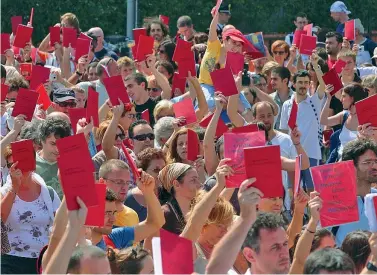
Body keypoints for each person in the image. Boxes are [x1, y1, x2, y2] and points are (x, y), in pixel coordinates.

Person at [1, 152, 61, 274]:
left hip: (41, 261)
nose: (16, 169)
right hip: (10, 260)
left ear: (32, 164)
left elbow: (61, 224)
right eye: (11, 164)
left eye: (20, 164)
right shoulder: (4, 192)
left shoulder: (48, 193)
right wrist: (14, 188)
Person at [92, 171, 165, 250]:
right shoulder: (78, 246)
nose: (113, 219)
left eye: (114, 213)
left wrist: (148, 191)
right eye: (107, 213)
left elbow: (156, 223)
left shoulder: (117, 237)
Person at [280, 70, 325, 191]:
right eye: (300, 82)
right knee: (293, 191)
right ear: (293, 84)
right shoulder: (286, 105)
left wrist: (316, 65)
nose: (303, 85)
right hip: (292, 156)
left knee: (312, 191)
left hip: (311, 154)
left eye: (306, 82)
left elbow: (323, 83)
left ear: (309, 84)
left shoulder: (314, 101)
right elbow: (284, 131)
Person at [332, 138, 377, 246]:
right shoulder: (333, 202)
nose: (374, 166)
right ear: (350, 167)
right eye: (367, 162)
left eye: (376, 161)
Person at [320, 83, 368, 159]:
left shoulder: (367, 119)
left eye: (344, 96)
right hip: (340, 162)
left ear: (352, 98)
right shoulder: (344, 115)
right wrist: (328, 99)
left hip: (357, 165)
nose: (341, 100)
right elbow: (323, 121)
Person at [158, 163, 201, 235]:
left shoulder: (198, 209)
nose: (199, 184)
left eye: (198, 179)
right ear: (176, 184)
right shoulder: (163, 214)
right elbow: (154, 244)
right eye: (193, 180)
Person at [126, 148, 166, 221]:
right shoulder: (129, 199)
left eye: (164, 169)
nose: (162, 174)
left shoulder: (169, 195)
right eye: (156, 170)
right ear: (142, 172)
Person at [36, 117, 72, 198]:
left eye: (61, 144)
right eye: (53, 143)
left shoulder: (71, 162)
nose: (57, 149)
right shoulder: (30, 164)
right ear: (42, 140)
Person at [99, 159, 139, 227]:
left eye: (127, 183)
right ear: (102, 182)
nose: (124, 187)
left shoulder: (132, 215)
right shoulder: (89, 213)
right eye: (119, 182)